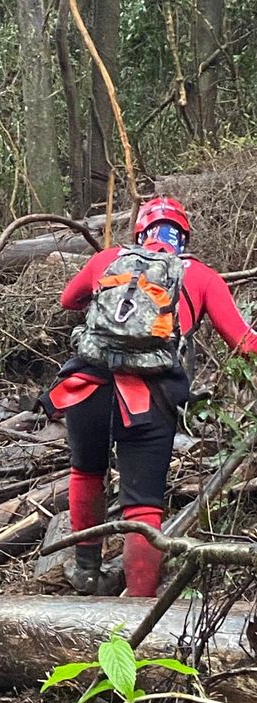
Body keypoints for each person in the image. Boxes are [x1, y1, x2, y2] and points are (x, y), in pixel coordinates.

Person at [43, 196, 257, 597]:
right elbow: (245, 344)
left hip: (88, 385)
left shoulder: (109, 258)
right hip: (149, 397)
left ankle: (87, 572)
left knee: (86, 472)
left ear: (140, 232)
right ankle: (140, 604)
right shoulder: (201, 276)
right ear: (183, 236)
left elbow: (68, 299)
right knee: (143, 502)